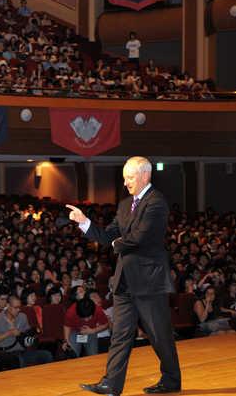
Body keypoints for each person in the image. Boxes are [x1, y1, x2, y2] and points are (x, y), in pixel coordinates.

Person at [67, 156, 181, 395]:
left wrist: (116, 242)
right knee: (120, 334)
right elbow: (108, 235)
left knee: (159, 335)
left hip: (149, 281)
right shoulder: (124, 205)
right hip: (125, 281)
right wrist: (85, 223)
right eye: (125, 178)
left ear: (145, 175)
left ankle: (171, 380)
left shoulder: (156, 202)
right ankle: (111, 383)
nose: (126, 182)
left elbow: (141, 238)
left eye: (130, 177)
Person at [0, 295, 53, 368]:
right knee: (19, 360)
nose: (18, 310)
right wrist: (9, 333)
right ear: (8, 306)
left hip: (22, 352)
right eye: (16, 307)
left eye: (19, 307)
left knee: (47, 355)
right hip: (6, 353)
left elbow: (27, 336)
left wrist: (31, 338)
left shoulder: (22, 317)